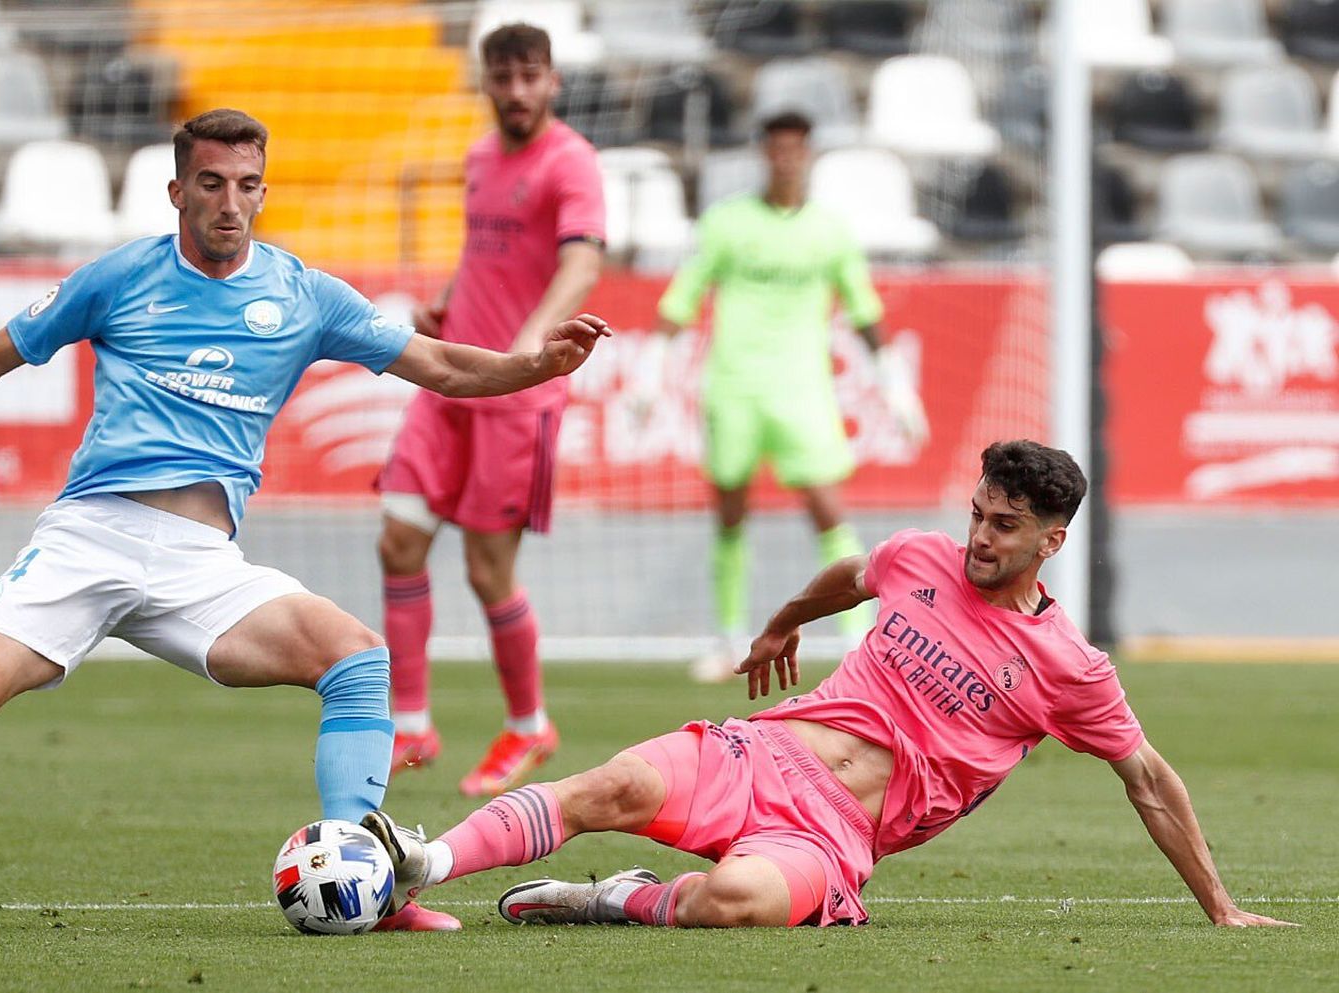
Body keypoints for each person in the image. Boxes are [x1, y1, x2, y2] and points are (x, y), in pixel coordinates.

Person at [0, 108, 610, 934]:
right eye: (212, 184)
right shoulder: (119, 278)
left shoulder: (302, 294)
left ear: (263, 192)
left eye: (247, 186)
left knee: (355, 656)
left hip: (200, 564)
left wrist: (530, 365)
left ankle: (372, 877)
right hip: (90, 537)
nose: (230, 203)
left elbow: (436, 362)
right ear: (177, 189)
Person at [363, 441, 1295, 931]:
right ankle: (423, 864)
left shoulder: (1070, 668)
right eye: (976, 512)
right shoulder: (921, 556)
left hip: (839, 831)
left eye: (1004, 525)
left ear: (1051, 541)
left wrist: (1220, 903)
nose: (978, 537)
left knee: (736, 905)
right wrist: (783, 622)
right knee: (609, 785)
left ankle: (607, 899)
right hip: (765, 749)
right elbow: (851, 572)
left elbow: (1149, 779)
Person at [375, 22, 605, 795]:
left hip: (519, 391)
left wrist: (532, 344)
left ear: (552, 81)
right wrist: (443, 303)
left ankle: (528, 724)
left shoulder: (571, 161)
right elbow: (484, 253)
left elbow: (582, 258)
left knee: (485, 569)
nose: (515, 92)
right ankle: (410, 726)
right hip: (452, 377)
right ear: (487, 82)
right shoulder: (478, 157)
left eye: (528, 76)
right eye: (501, 78)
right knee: (398, 538)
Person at [651, 111, 927, 683]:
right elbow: (684, 298)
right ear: (764, 153)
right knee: (731, 514)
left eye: (795, 149)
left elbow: (864, 310)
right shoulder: (726, 224)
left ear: (808, 155)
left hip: (802, 389)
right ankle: (728, 637)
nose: (785, 159)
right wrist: (653, 370)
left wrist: (896, 386)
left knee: (828, 510)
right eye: (776, 149)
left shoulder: (829, 231)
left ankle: (863, 640)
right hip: (734, 386)